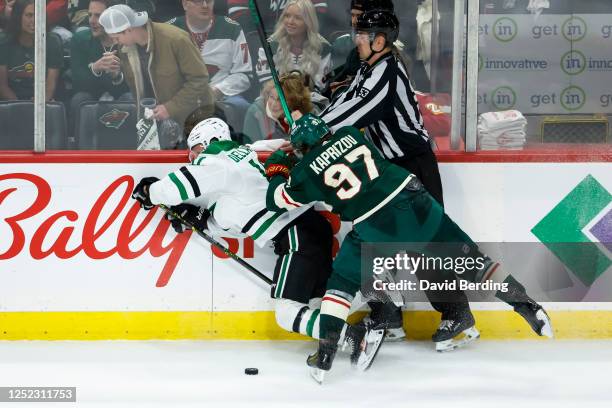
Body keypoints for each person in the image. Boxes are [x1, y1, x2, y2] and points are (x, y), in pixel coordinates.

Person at [264, 113, 553, 382]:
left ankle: (325, 356)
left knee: (341, 284)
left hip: (376, 224)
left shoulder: (305, 174)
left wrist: (279, 166)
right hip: (415, 200)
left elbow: (276, 200)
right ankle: (527, 305)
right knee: (473, 263)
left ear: (302, 148)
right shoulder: (351, 134)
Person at [130, 116, 384, 372]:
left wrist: (150, 192)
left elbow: (178, 185)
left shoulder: (217, 163)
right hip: (310, 227)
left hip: (295, 234)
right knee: (320, 302)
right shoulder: (247, 155)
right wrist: (200, 220)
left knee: (286, 311)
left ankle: (355, 338)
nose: (192, 157)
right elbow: (236, 214)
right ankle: (383, 298)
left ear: (212, 142)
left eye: (195, 149)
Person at [320, 8, 477, 351]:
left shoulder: (389, 70)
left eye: (362, 36)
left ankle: (456, 312)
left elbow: (359, 110)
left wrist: (319, 128)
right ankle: (387, 313)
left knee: (424, 245)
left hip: (412, 166)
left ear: (380, 40)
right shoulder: (368, 68)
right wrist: (317, 116)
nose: (356, 41)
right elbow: (347, 99)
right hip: (386, 170)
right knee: (370, 244)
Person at [99, 3, 215, 148]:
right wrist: (115, 74)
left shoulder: (176, 39)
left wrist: (170, 108)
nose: (116, 43)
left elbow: (200, 79)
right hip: (153, 121)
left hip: (193, 120)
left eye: (116, 38)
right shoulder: (126, 49)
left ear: (128, 30)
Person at [168, 0, 253, 123]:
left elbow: (244, 75)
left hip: (221, 96)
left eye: (208, 1)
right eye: (198, 1)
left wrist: (217, 90)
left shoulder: (232, 28)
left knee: (242, 107)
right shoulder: (169, 30)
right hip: (179, 95)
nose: (204, 5)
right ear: (185, 4)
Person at [69, 0, 131, 130]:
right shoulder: (79, 40)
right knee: (80, 99)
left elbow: (133, 88)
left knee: (130, 98)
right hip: (92, 96)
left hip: (120, 95)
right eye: (90, 15)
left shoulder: (128, 42)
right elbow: (77, 84)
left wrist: (116, 76)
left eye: (98, 16)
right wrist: (95, 69)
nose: (91, 20)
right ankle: (80, 147)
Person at [254, 0, 331, 93]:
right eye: (287, 16)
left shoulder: (323, 47)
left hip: (309, 102)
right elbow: (266, 84)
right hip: (274, 100)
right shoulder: (269, 46)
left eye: (297, 18)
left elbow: (320, 88)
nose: (290, 22)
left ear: (308, 22)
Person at [0, 0, 63, 101]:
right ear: (18, 16)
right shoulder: (3, 42)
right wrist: (21, 106)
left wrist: (40, 103)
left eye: (38, 15)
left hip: (42, 103)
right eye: (29, 15)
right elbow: (2, 86)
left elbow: (51, 85)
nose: (34, 20)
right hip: (11, 103)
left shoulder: (52, 42)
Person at [243, 72, 326, 143]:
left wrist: (303, 122)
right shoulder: (255, 112)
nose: (273, 104)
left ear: (295, 101)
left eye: (280, 100)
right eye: (271, 97)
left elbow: (322, 138)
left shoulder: (310, 110)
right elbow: (250, 148)